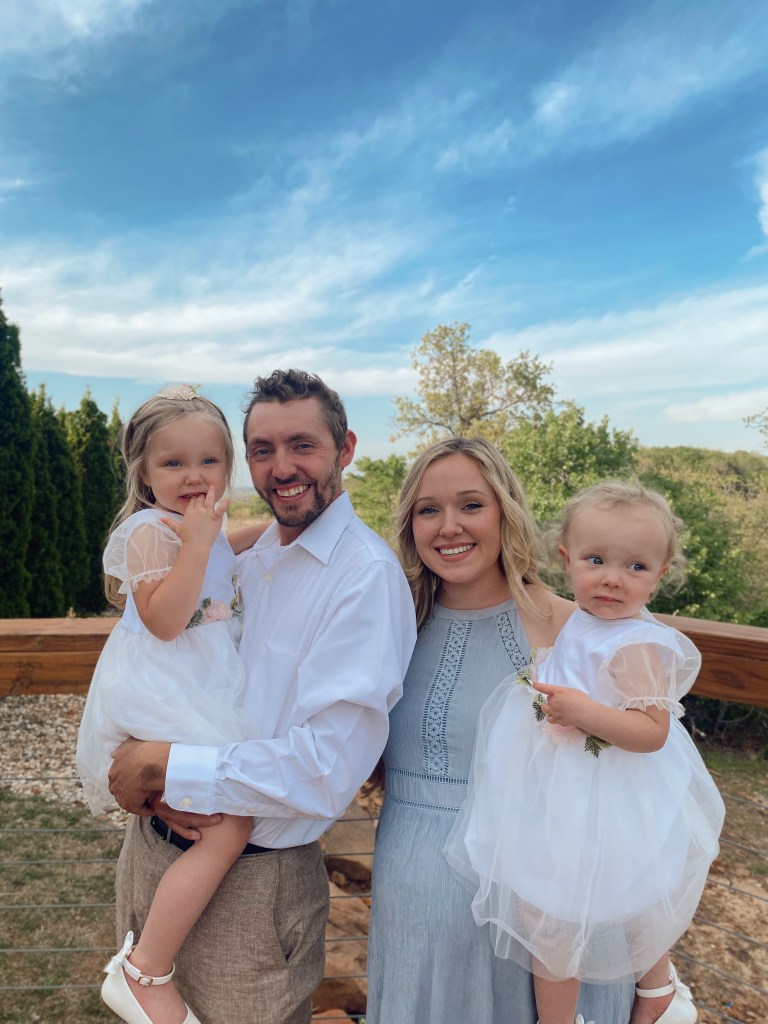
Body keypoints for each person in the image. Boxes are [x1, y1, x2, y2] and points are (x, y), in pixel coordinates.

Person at [105, 369, 417, 1024]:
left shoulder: (363, 580)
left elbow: (323, 770)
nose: (282, 468)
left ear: (345, 449)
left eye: (303, 445)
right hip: (155, 847)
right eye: (263, 450)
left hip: (251, 886)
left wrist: (163, 763)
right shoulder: (253, 554)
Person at [367, 438, 635, 1024]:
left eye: (471, 505)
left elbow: (635, 781)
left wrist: (655, 966)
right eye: (428, 510)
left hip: (535, 933)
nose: (449, 526)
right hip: (414, 915)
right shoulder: (392, 621)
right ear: (410, 524)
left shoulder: (570, 626)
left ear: (505, 511)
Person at [444, 481, 725, 1024]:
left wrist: (584, 712)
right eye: (596, 560)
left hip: (604, 794)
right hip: (561, 788)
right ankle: (654, 987)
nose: (613, 579)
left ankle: (643, 994)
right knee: (557, 908)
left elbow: (653, 731)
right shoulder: (581, 618)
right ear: (566, 559)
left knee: (561, 913)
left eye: (636, 567)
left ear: (660, 575)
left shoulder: (637, 643)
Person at [76, 386, 268, 1024]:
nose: (193, 476)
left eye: (209, 461)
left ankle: (148, 966)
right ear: (144, 473)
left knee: (223, 819)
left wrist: (274, 530)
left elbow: (229, 549)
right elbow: (164, 621)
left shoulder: (199, 531)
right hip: (165, 692)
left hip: (200, 688)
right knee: (231, 826)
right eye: (173, 463)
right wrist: (198, 544)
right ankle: (144, 971)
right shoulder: (149, 533)